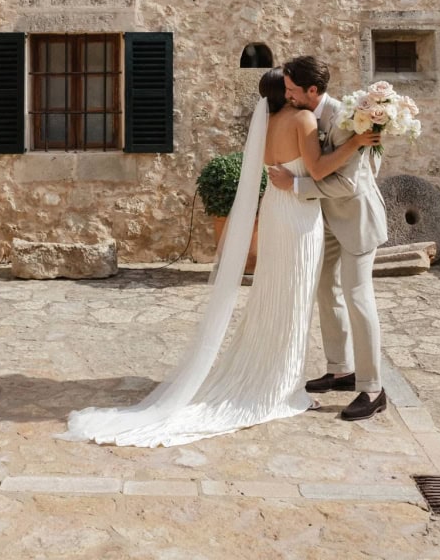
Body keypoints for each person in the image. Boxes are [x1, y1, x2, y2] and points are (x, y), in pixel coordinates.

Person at [58, 71, 379, 448]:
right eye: (289, 88)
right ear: (285, 93)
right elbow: (320, 169)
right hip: (298, 215)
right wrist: (358, 141)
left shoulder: (269, 122)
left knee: (274, 294)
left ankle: (294, 371)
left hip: (276, 210)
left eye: (296, 87)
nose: (293, 92)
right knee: (293, 300)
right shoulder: (303, 119)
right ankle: (282, 385)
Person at [270, 56, 388, 422]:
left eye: (292, 89)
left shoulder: (345, 118)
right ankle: (341, 370)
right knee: (325, 288)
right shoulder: (306, 113)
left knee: (357, 296)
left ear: (312, 90)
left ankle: (373, 387)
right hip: (328, 218)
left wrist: (296, 185)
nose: (286, 95)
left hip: (356, 219)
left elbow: (349, 182)